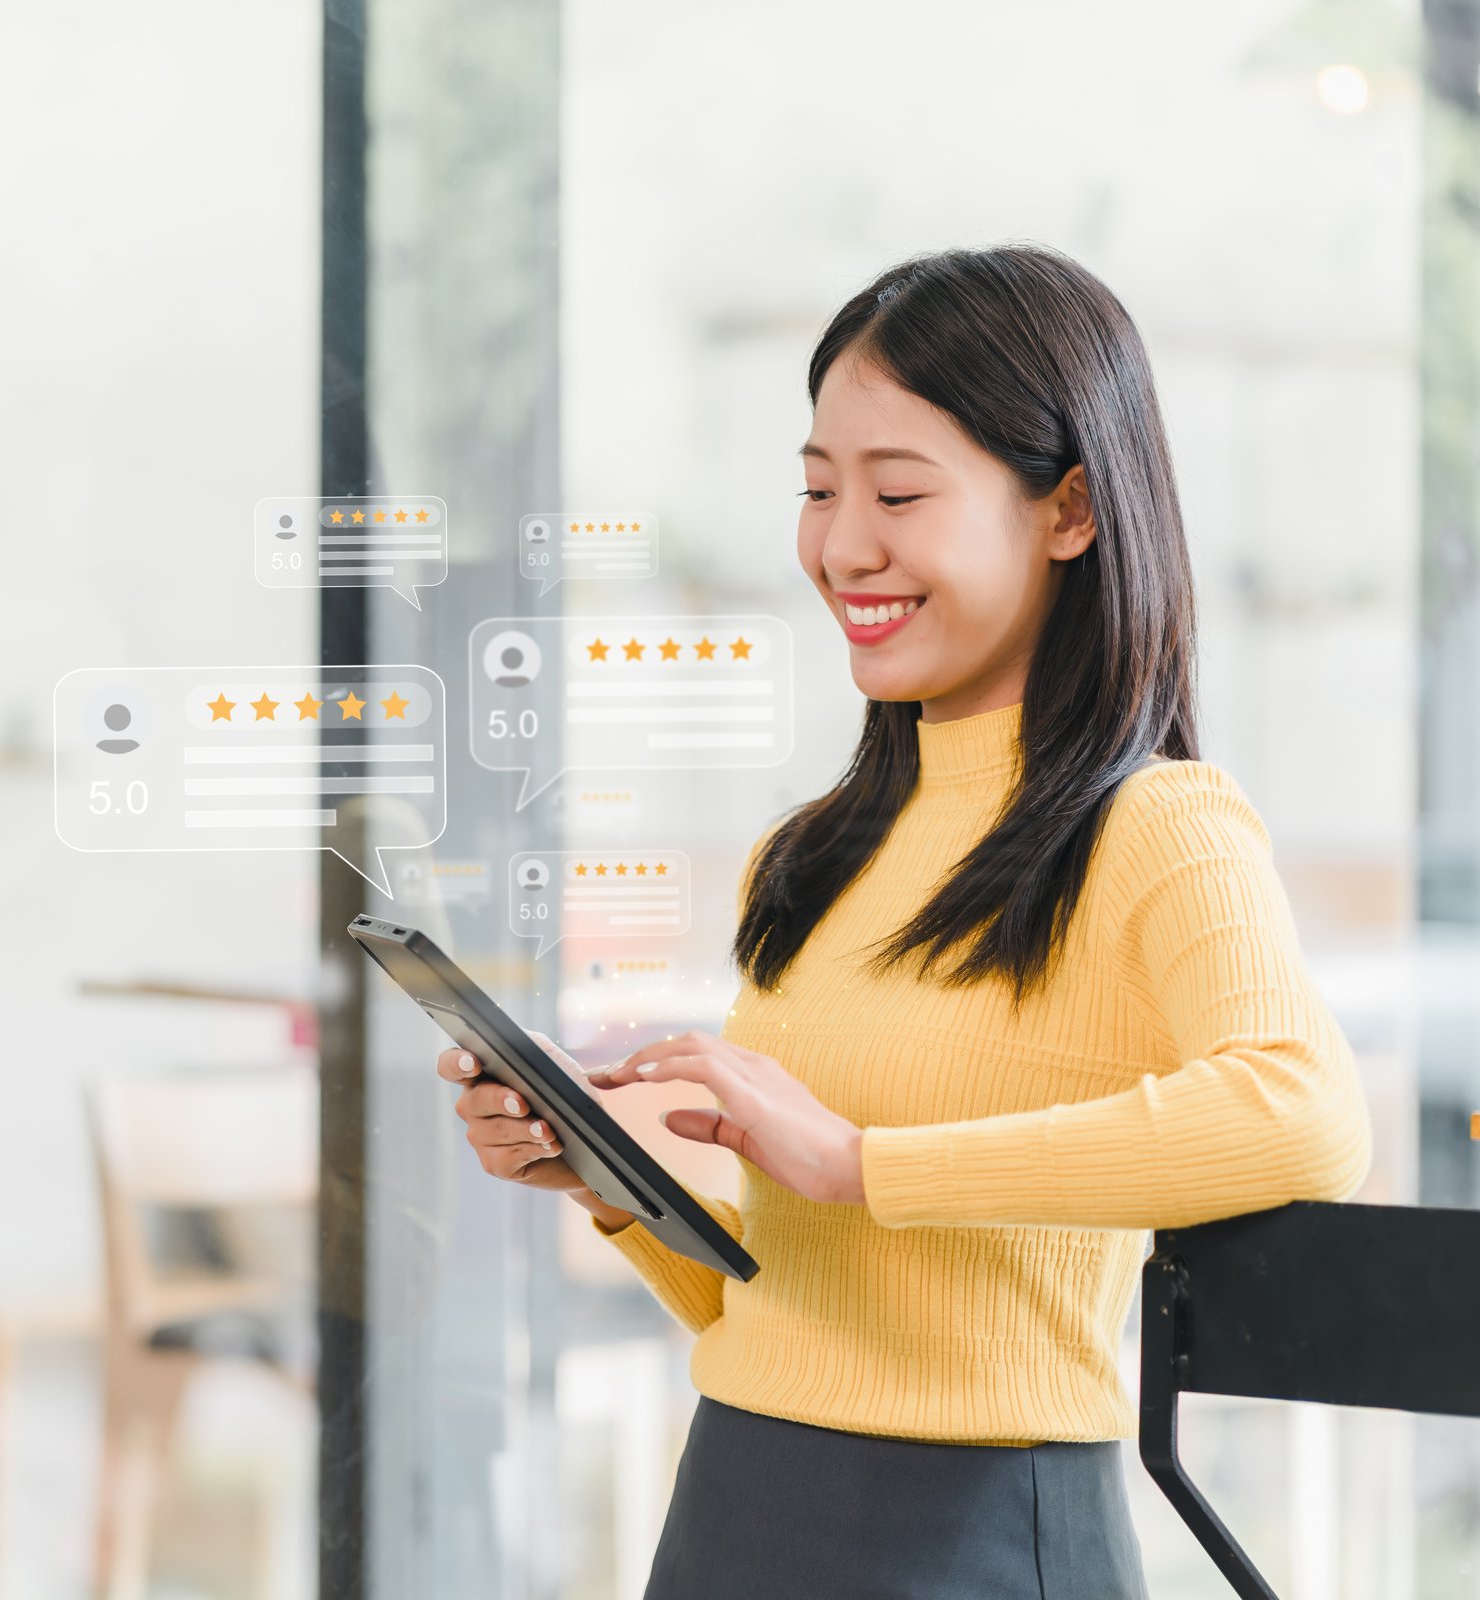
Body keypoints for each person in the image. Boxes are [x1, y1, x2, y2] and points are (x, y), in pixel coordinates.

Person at [431, 242, 1372, 1597]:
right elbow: (781, 1302)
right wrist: (611, 1187)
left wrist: (863, 1162)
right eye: (817, 491)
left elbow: (1304, 1115)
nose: (840, 546)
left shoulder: (1158, 825)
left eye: (898, 493)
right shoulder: (810, 856)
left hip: (977, 1534)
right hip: (738, 1503)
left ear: (1071, 511)